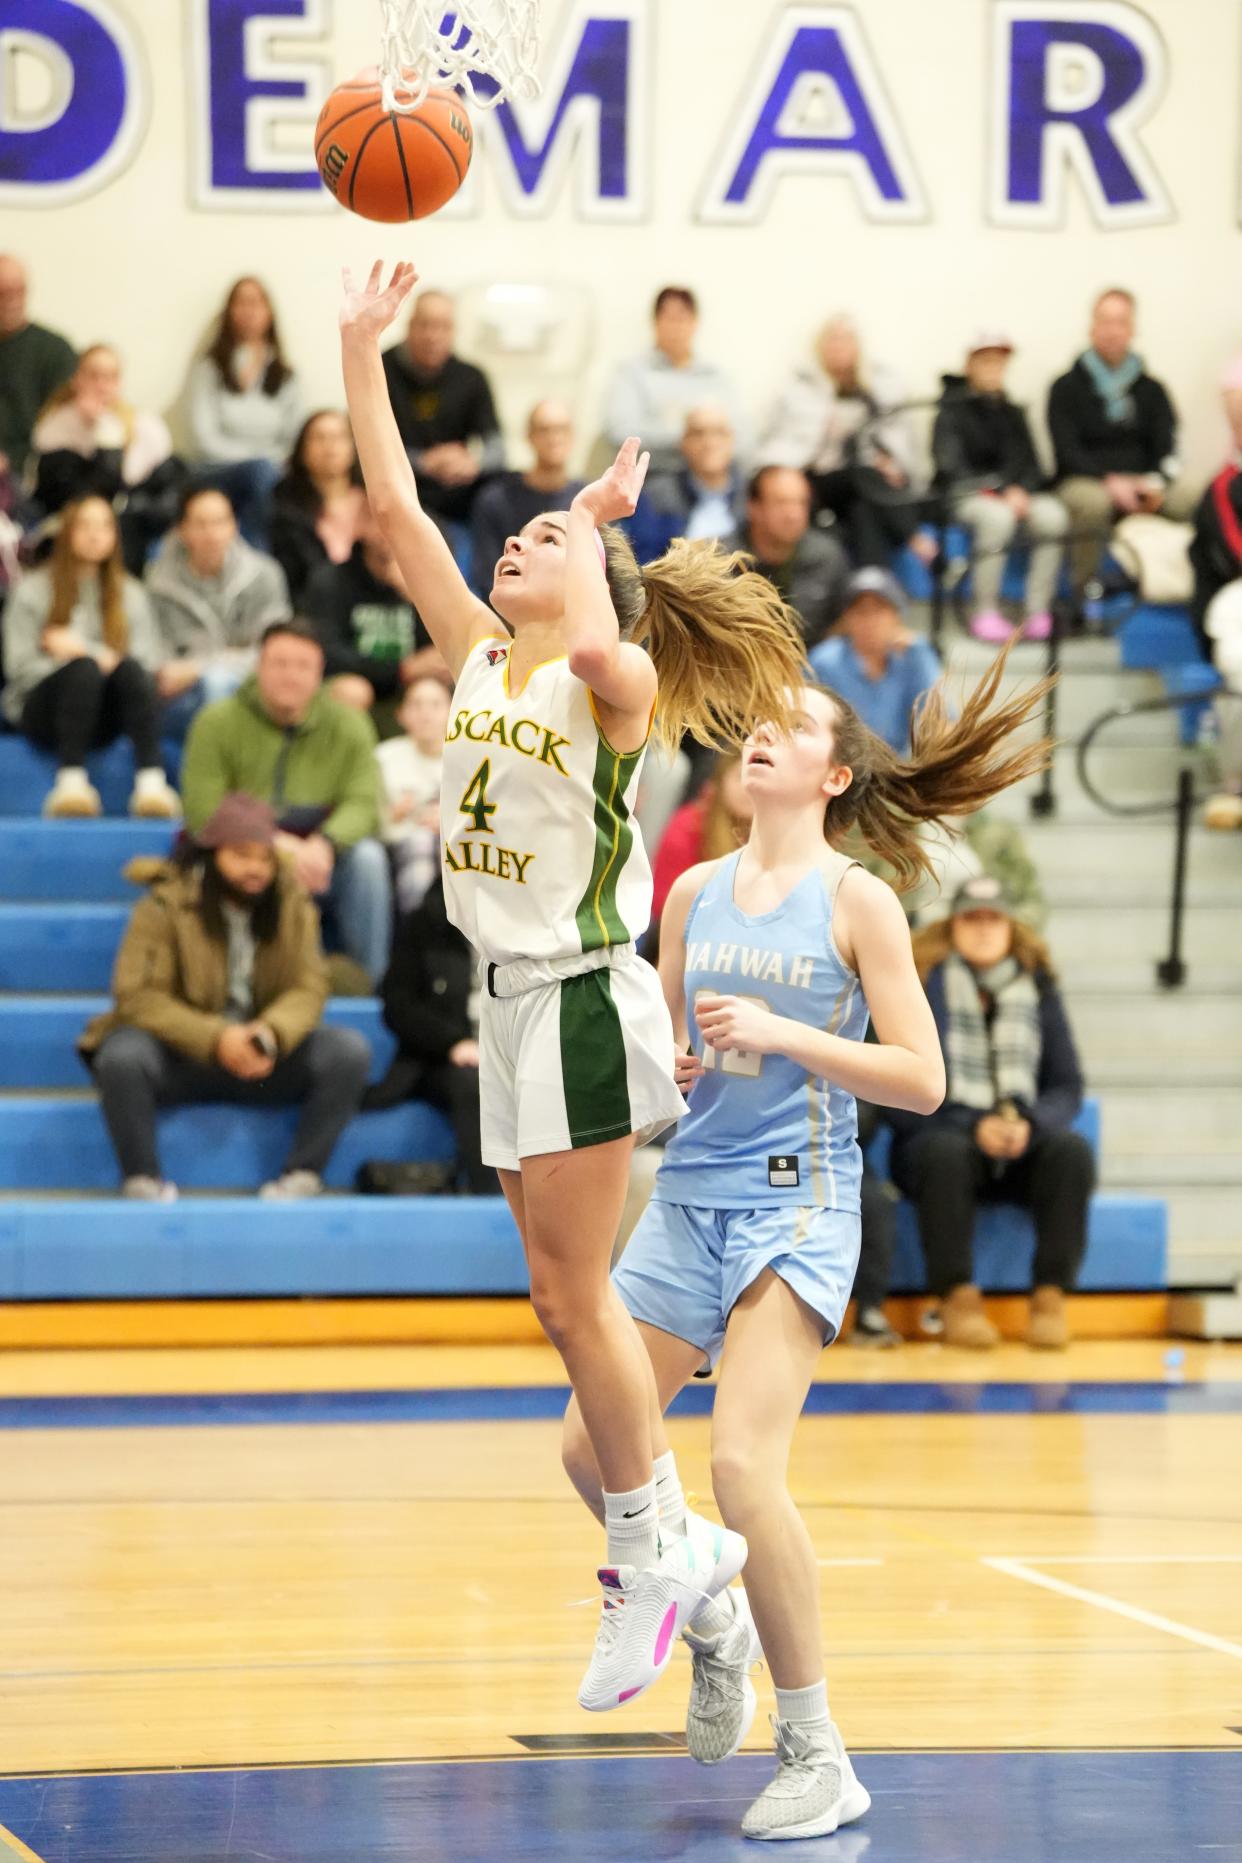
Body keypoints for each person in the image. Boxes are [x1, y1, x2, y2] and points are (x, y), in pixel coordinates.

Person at [341, 257, 808, 1715]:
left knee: (567, 1295)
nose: (509, 547)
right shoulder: (481, 663)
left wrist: (594, 526)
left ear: (586, 582)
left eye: (533, 540)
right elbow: (400, 512)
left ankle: (648, 1555)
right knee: (555, 1296)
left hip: (589, 995)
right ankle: (680, 1569)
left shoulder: (609, 692)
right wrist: (360, 352)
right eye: (517, 537)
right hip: (503, 998)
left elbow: (605, 637)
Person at [561, 660, 1050, 1839]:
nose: (762, 738)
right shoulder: (690, 895)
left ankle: (819, 1747)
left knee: (739, 1467)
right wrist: (666, 1069)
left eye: (794, 731)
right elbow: (669, 1054)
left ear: (831, 778)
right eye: (758, 726)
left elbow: (924, 1080)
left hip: (800, 1203)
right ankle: (712, 1617)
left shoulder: (860, 901)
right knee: (589, 1451)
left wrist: (787, 1032)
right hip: (690, 1195)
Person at [80, 793, 370, 1202]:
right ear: (211, 856)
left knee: (347, 1050)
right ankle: (143, 1180)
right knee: (122, 1055)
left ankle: (300, 1176)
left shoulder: (293, 906)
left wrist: (269, 1033)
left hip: (262, 1055)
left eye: (264, 858)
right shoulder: (164, 904)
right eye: (241, 856)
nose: (255, 869)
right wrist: (217, 1039)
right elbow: (138, 996)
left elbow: (309, 986)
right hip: (185, 1055)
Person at [888, 874, 1094, 1351]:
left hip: (1019, 1136)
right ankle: (958, 1300)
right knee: (944, 1154)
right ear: (952, 926)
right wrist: (972, 1126)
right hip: (940, 1133)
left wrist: (1031, 1124)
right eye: (972, 918)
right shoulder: (921, 982)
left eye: (994, 919)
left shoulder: (1037, 986)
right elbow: (895, 1085)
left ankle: (1049, 1299)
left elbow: (1067, 1086)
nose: (983, 929)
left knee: (1070, 1152)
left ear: (1010, 927)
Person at [181, 620, 393, 985]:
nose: (290, 676)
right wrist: (275, 846)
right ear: (258, 667)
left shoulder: (349, 724)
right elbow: (203, 808)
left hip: (322, 857)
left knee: (369, 861)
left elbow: (363, 801)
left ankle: (369, 987)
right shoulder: (216, 722)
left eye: (302, 666)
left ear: (320, 674)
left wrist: (325, 844)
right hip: (241, 852)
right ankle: (215, 984)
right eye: (279, 664)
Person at [1, 495, 179, 820]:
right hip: (43, 711)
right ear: (67, 532)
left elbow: (145, 667)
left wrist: (83, 649)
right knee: (82, 671)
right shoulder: (31, 590)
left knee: (123, 669)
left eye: (104, 526)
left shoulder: (132, 594)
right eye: (85, 525)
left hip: (109, 714)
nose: (95, 535)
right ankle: (71, 783)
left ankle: (151, 784)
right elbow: (20, 669)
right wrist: (80, 664)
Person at [1048, 288, 1197, 602]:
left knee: (1195, 499)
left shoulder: (1152, 390)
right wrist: (1111, 482)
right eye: (1105, 321)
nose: (1112, 331)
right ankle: (1082, 597)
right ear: (1092, 327)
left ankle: (1192, 595)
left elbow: (1169, 446)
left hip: (1144, 482)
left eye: (1120, 322)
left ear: (1132, 329)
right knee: (1094, 503)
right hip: (1087, 480)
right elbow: (1067, 451)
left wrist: (1153, 483)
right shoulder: (1065, 387)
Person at [759, 315, 934, 568]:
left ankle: (872, 585)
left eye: (845, 339)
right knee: (861, 475)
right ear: (820, 347)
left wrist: (891, 463)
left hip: (864, 485)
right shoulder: (800, 391)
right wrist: (823, 436)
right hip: (815, 477)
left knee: (864, 510)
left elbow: (896, 439)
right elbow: (783, 443)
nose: (839, 346)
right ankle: (913, 536)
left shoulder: (877, 390)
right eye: (833, 339)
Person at [364, 875, 498, 1194]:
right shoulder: (425, 924)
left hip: (512, 1053)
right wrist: (452, 1042)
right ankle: (490, 1200)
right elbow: (398, 1006)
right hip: (438, 1062)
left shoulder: (530, 928)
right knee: (473, 1084)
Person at [933, 333, 1068, 643]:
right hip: (967, 497)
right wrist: (997, 491)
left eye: (999, 362)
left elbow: (1032, 467)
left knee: (1052, 516)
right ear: (970, 365)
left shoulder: (1012, 413)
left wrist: (1020, 489)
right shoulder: (950, 411)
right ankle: (985, 611)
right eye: (986, 361)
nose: (993, 369)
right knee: (997, 518)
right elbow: (950, 468)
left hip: (1011, 496)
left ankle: (1038, 612)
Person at [146, 486, 290, 737]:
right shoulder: (159, 584)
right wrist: (190, 674)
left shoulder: (264, 574)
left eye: (220, 522)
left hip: (252, 684)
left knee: (219, 682)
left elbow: (274, 651)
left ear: (234, 525)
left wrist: (200, 668)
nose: (212, 534)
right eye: (200, 524)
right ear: (181, 530)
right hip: (183, 696)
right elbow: (160, 663)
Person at [29, 343, 180, 570]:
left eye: (110, 377)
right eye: (94, 376)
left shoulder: (145, 426)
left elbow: (163, 485)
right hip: (69, 526)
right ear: (77, 378)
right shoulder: (55, 428)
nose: (102, 385)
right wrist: (105, 436)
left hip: (134, 530)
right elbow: (96, 497)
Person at [188, 277, 304, 548]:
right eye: (242, 302)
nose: (250, 311)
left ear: (270, 312)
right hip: (215, 471)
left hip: (271, 474)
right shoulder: (210, 369)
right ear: (229, 311)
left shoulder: (285, 375)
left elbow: (294, 439)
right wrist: (258, 461)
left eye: (257, 302)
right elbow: (203, 439)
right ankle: (256, 555)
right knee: (261, 474)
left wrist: (266, 464)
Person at [381, 289, 503, 526]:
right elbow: (363, 445)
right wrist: (423, 461)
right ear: (409, 326)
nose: (432, 336)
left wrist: (472, 462)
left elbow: (497, 448)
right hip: (398, 488)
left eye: (442, 326)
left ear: (453, 331)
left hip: (458, 491)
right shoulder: (381, 369)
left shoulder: (472, 377)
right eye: (425, 325)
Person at [604, 287, 749, 476]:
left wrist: (701, 443)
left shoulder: (716, 377)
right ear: (655, 322)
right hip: (656, 476)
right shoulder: (633, 373)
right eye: (670, 319)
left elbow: (742, 436)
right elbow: (620, 434)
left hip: (712, 478)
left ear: (695, 323)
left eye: (683, 319)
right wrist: (687, 438)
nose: (676, 327)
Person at [301, 509, 432, 717]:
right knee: (354, 691)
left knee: (435, 687)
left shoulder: (426, 579)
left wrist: (417, 598)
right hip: (354, 681)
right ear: (360, 526)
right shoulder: (331, 581)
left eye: (399, 520)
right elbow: (328, 653)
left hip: (413, 686)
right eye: (380, 521)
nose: (389, 531)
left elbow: (442, 648)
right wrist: (400, 670)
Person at [809, 568, 943, 754]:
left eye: (879, 610)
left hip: (897, 768)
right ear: (847, 617)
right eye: (861, 611)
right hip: (841, 764)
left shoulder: (914, 655)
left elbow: (942, 720)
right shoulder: (824, 661)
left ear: (897, 615)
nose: (870, 620)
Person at [1190, 359, 1242, 831]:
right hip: (1235, 595)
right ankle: (1235, 781)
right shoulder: (1225, 486)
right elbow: (1231, 547)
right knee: (1237, 665)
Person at [469, 400, 585, 597]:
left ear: (572, 435)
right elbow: (485, 573)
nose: (554, 438)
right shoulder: (496, 500)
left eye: (561, 429)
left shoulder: (588, 502)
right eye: (544, 429)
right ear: (529, 436)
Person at [743, 466, 851, 646]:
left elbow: (846, 619)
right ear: (754, 508)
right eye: (782, 503)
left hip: (810, 665)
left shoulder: (827, 556)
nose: (793, 514)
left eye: (801, 503)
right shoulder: (722, 560)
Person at [626, 405, 747, 564]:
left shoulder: (752, 495)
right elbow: (641, 561)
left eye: (719, 433)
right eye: (698, 433)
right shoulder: (656, 495)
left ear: (732, 440)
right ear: (683, 442)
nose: (709, 443)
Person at [269, 410, 368, 603]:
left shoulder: (373, 501)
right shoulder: (286, 507)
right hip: (314, 602)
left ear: (354, 447)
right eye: (319, 438)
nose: (330, 446)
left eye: (339, 437)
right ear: (302, 450)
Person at [377, 670, 453, 914]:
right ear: (400, 714)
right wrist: (393, 815)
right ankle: (417, 927)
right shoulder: (384, 758)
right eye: (416, 704)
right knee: (420, 843)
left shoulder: (469, 754)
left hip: (458, 844)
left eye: (435, 704)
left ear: (454, 710)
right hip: (403, 846)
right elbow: (371, 818)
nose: (425, 714)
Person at [650, 753, 753, 926]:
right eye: (740, 777)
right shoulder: (690, 824)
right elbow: (663, 901)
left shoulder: (777, 838)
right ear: (721, 781)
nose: (748, 787)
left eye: (755, 779)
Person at [0, 254, 76, 479]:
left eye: (18, 290)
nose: (11, 300)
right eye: (3, 292)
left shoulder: (54, 350)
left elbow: (60, 426)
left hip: (31, 472)